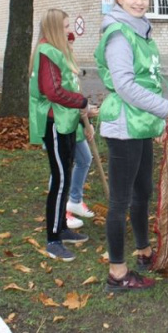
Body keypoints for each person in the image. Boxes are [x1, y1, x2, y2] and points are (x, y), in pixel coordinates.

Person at [95, 0, 168, 293]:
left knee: (142, 191)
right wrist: (166, 109)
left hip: (141, 123)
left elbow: (149, 81)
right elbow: (126, 86)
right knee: (119, 201)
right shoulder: (119, 34)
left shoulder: (142, 32)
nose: (139, 2)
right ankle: (117, 273)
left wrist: (157, 124)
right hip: (123, 125)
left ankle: (144, 251)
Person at [28, 8, 90, 262]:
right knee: (61, 178)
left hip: (65, 121)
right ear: (54, 28)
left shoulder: (56, 50)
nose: (69, 30)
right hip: (54, 122)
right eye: (65, 26)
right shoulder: (46, 52)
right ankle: (53, 239)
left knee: (64, 173)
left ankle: (61, 230)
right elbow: (53, 91)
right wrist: (81, 101)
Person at [65, 32, 97, 229]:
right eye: (67, 43)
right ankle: (62, 212)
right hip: (61, 124)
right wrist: (84, 114)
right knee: (61, 168)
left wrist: (87, 115)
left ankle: (75, 200)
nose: (71, 46)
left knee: (84, 159)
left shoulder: (70, 65)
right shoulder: (56, 64)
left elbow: (77, 97)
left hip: (75, 121)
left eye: (72, 43)